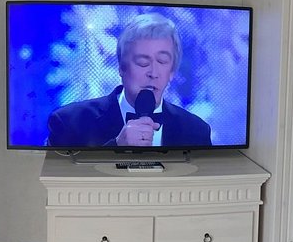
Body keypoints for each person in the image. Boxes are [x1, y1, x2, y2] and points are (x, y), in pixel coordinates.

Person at [47, 13, 212, 148]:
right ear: (121, 67)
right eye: (142, 62)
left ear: (172, 72)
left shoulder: (196, 131)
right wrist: (116, 146)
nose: (153, 73)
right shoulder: (69, 123)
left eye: (162, 61)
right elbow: (59, 177)